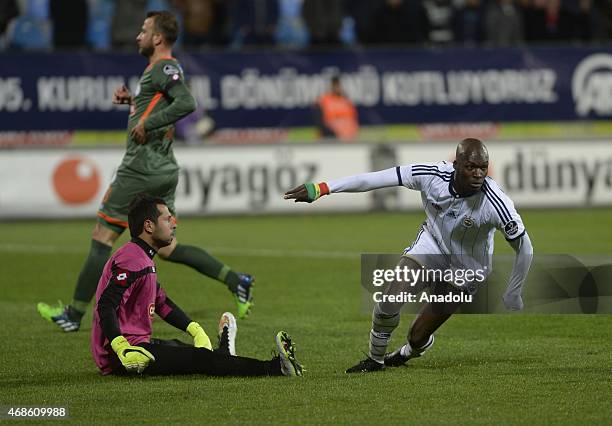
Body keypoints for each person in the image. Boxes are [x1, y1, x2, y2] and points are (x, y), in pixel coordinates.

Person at [38, 10, 254, 333]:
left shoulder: (165, 67)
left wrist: (147, 122)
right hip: (163, 168)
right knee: (167, 247)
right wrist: (134, 104)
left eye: (144, 30)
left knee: (102, 236)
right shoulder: (153, 72)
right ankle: (236, 280)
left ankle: (73, 314)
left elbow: (187, 103)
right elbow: (161, 105)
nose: (138, 36)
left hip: (141, 168)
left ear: (157, 38)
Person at [284, 138, 533, 373]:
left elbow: (525, 247)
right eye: (471, 167)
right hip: (432, 246)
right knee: (389, 301)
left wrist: (514, 291)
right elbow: (375, 179)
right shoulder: (431, 175)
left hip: (467, 268)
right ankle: (375, 359)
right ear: (456, 165)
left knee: (417, 337)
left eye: (483, 168)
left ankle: (407, 352)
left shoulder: (496, 203)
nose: (479, 174)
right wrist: (323, 187)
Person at [91, 194, 303, 377]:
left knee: (181, 348)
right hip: (127, 356)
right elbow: (105, 305)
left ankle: (224, 354)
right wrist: (121, 347)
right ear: (148, 225)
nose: (173, 224)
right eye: (167, 219)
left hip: (135, 347)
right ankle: (276, 368)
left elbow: (162, 303)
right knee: (199, 359)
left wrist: (195, 330)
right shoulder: (132, 259)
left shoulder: (141, 257)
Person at [314, 75, 359, 141]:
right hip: (331, 137)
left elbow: (353, 120)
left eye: (338, 85)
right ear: (331, 86)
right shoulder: (324, 100)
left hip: (348, 137)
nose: (337, 87)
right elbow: (319, 121)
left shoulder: (346, 101)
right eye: (334, 85)